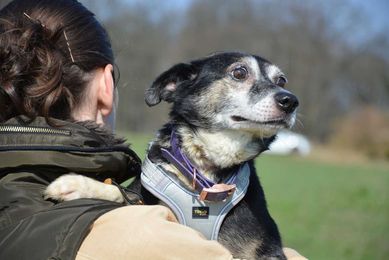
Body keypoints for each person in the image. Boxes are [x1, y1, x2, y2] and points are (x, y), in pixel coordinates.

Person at [0, 0, 306, 259]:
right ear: (106, 88)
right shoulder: (143, 237)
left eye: (280, 83)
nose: (283, 96)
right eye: (240, 74)